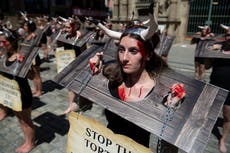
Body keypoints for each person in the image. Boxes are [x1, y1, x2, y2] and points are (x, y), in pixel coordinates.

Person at [89, 12, 184, 152]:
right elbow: (82, 105)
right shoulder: (113, 80)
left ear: (148, 55)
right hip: (106, 147)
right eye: (121, 50)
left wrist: (170, 111)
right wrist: (92, 75)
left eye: (133, 51)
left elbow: (168, 149)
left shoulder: (163, 92)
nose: (124, 58)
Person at [0, 28, 35, 153]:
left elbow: (32, 76)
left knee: (26, 121)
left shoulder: (21, 57)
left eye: (3, 42)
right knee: (20, 120)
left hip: (23, 95)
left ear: (12, 42)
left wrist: (26, 64)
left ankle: (30, 144)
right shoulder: (4, 57)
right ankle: (27, 141)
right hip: (12, 95)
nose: (1, 45)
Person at [209, 26, 230, 153]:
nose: (229, 37)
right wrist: (211, 53)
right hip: (214, 86)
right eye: (227, 34)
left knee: (227, 117)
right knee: (208, 113)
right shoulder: (218, 48)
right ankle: (203, 132)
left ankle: (222, 140)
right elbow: (206, 66)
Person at [57, 18, 82, 114]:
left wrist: (79, 39)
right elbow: (59, 46)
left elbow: (84, 52)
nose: (66, 29)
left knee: (76, 86)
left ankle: (79, 105)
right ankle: (71, 105)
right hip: (68, 62)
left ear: (74, 27)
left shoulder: (79, 36)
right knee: (70, 86)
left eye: (68, 27)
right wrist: (60, 34)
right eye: (65, 27)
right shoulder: (65, 36)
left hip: (78, 64)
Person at [23, 20, 43, 97]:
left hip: (34, 57)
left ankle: (39, 91)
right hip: (28, 57)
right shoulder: (26, 34)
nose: (24, 27)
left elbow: (40, 30)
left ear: (29, 27)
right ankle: (35, 89)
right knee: (33, 75)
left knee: (37, 75)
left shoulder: (35, 34)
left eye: (25, 26)